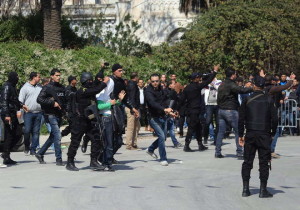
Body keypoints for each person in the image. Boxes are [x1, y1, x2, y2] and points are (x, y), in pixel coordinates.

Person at [239, 76, 277, 198]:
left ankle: (245, 189)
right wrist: (272, 132)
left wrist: (240, 134)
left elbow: (241, 119)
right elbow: (275, 119)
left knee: (247, 162)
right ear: (264, 86)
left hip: (250, 133)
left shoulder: (247, 99)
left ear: (254, 85)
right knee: (264, 163)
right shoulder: (269, 100)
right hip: (264, 134)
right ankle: (263, 190)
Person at [66, 72, 109, 171]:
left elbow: (95, 85)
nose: (90, 82)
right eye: (89, 81)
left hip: (90, 119)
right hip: (80, 120)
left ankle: (93, 161)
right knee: (75, 141)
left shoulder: (89, 89)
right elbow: (97, 89)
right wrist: (104, 83)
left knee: (96, 139)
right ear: (84, 81)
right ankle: (70, 162)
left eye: (91, 80)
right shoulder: (82, 91)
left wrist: (102, 71)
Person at [215, 68, 253, 158]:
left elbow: (218, 98)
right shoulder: (231, 84)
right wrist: (252, 88)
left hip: (221, 110)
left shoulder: (222, 84)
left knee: (220, 132)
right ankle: (239, 151)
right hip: (230, 110)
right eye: (235, 74)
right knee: (238, 132)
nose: (236, 76)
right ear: (232, 75)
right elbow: (241, 90)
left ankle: (217, 152)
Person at [180, 66, 218, 152]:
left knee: (198, 127)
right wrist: (215, 72)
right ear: (195, 79)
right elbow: (208, 81)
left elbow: (181, 100)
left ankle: (200, 144)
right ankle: (186, 145)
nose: (200, 78)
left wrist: (180, 110)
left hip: (191, 110)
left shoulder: (187, 88)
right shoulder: (196, 86)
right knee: (192, 128)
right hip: (195, 110)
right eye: (198, 77)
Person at [35, 68, 66, 166]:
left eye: (59, 75)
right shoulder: (47, 87)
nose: (58, 77)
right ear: (52, 76)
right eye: (56, 75)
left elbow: (65, 101)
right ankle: (59, 159)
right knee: (57, 136)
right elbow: (39, 99)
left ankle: (40, 153)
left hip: (59, 114)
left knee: (53, 136)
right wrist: (52, 103)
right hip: (50, 114)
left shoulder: (62, 87)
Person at [144, 73, 175, 166]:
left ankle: (150, 149)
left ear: (159, 81)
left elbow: (167, 100)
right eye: (153, 81)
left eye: (157, 81)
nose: (155, 83)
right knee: (161, 136)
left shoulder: (162, 89)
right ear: (150, 81)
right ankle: (163, 158)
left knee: (163, 137)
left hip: (163, 116)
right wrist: (164, 109)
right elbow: (153, 103)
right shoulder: (148, 91)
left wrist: (171, 111)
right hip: (153, 117)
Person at [0, 72, 28, 166]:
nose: (17, 78)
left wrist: (22, 105)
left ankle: (6, 154)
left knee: (17, 133)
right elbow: (4, 101)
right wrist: (7, 114)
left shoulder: (12, 86)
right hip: (8, 114)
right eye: (16, 77)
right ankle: (6, 155)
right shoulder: (7, 86)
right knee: (10, 134)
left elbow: (14, 100)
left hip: (13, 113)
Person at [18, 72, 43, 156]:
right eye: (38, 77)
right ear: (34, 77)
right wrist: (21, 108)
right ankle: (27, 146)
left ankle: (33, 149)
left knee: (36, 132)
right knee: (27, 130)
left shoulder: (40, 87)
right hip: (28, 113)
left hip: (39, 113)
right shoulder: (25, 88)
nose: (40, 78)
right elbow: (20, 100)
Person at [203, 77, 222, 145]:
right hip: (209, 104)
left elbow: (219, 89)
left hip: (217, 104)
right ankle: (205, 137)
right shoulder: (206, 82)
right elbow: (202, 91)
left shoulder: (219, 81)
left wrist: (213, 84)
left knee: (218, 123)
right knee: (207, 121)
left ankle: (216, 140)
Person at [125, 72, 141, 150]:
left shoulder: (132, 84)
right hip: (132, 108)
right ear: (136, 77)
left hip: (135, 108)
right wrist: (133, 109)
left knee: (137, 126)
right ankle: (129, 145)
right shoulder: (132, 85)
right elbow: (131, 98)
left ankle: (133, 143)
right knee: (131, 127)